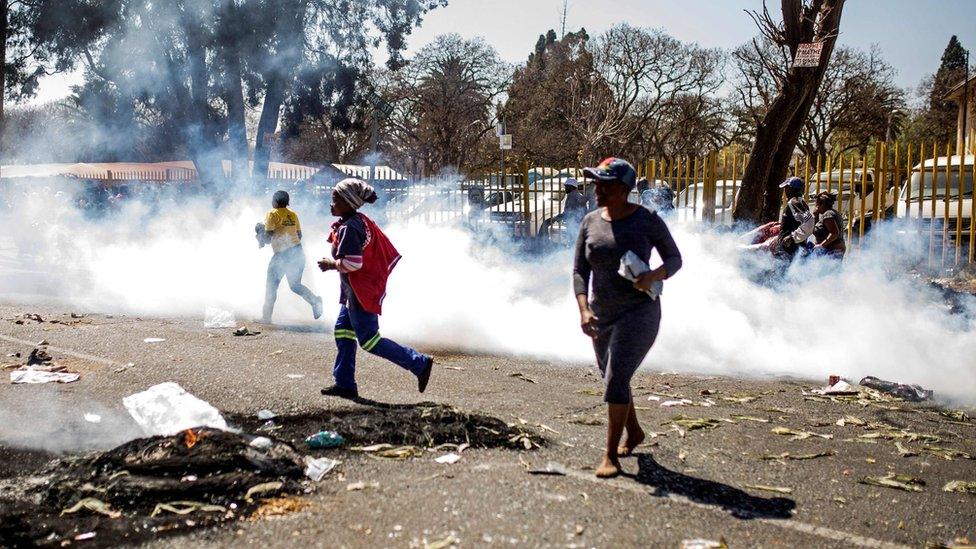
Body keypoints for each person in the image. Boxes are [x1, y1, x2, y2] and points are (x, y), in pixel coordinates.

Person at [573, 157, 682, 478]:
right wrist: (583, 309)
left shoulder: (647, 220)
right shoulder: (590, 221)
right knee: (612, 377)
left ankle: (610, 455)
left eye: (603, 185)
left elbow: (675, 259)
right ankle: (634, 432)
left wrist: (654, 275)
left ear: (623, 189)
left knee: (617, 377)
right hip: (601, 315)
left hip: (639, 312)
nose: (597, 190)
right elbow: (580, 270)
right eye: (595, 183)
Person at [318, 178, 434, 399]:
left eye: (334, 200)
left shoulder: (351, 227)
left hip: (361, 294)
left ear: (348, 202)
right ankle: (344, 383)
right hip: (353, 293)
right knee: (343, 333)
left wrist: (331, 265)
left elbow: (354, 263)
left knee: (370, 341)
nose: (330, 204)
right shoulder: (354, 221)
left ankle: (418, 363)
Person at [260, 190, 323, 323]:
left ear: (275, 202)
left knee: (271, 286)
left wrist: (260, 235)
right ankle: (315, 301)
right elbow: (299, 235)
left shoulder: (272, 214)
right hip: (297, 253)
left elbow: (268, 236)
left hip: (282, 256)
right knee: (295, 285)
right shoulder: (293, 214)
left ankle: (266, 318)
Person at [775, 176, 814, 260]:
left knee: (780, 272)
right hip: (794, 250)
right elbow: (800, 222)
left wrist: (792, 237)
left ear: (791, 189)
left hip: (788, 251)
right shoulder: (802, 203)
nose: (785, 191)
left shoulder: (794, 202)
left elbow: (810, 222)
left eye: (786, 188)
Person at [811, 191, 846, 258]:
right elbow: (817, 230)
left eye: (817, 204)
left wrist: (821, 245)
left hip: (831, 250)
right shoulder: (832, 213)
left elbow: (834, 233)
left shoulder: (828, 214)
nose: (816, 206)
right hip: (832, 250)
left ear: (822, 204)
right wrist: (816, 215)